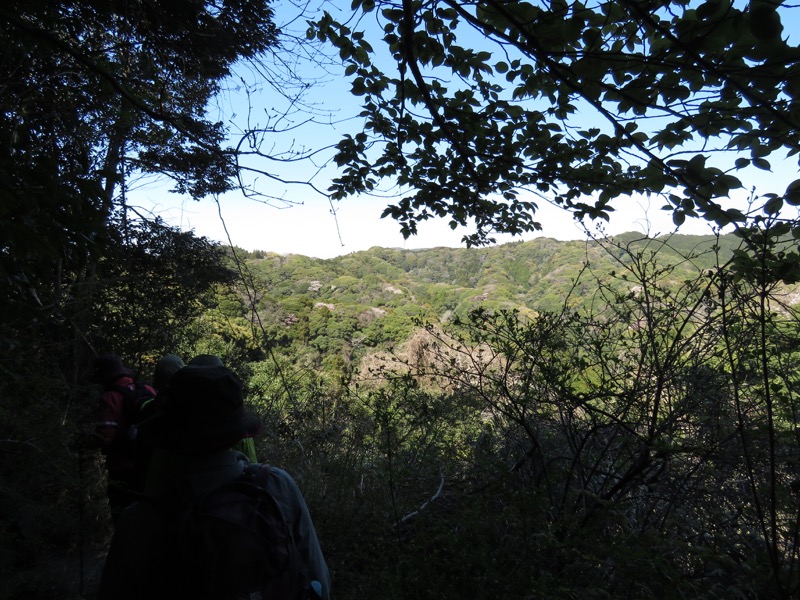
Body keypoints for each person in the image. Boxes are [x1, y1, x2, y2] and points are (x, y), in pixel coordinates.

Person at [98, 364, 331, 599]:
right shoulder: (277, 486)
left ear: (169, 434)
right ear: (238, 433)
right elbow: (318, 580)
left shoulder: (139, 521)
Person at [88, 354, 157, 523]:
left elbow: (105, 438)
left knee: (123, 519)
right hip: (151, 467)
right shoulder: (148, 390)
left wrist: (84, 441)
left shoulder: (110, 398)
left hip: (122, 470)